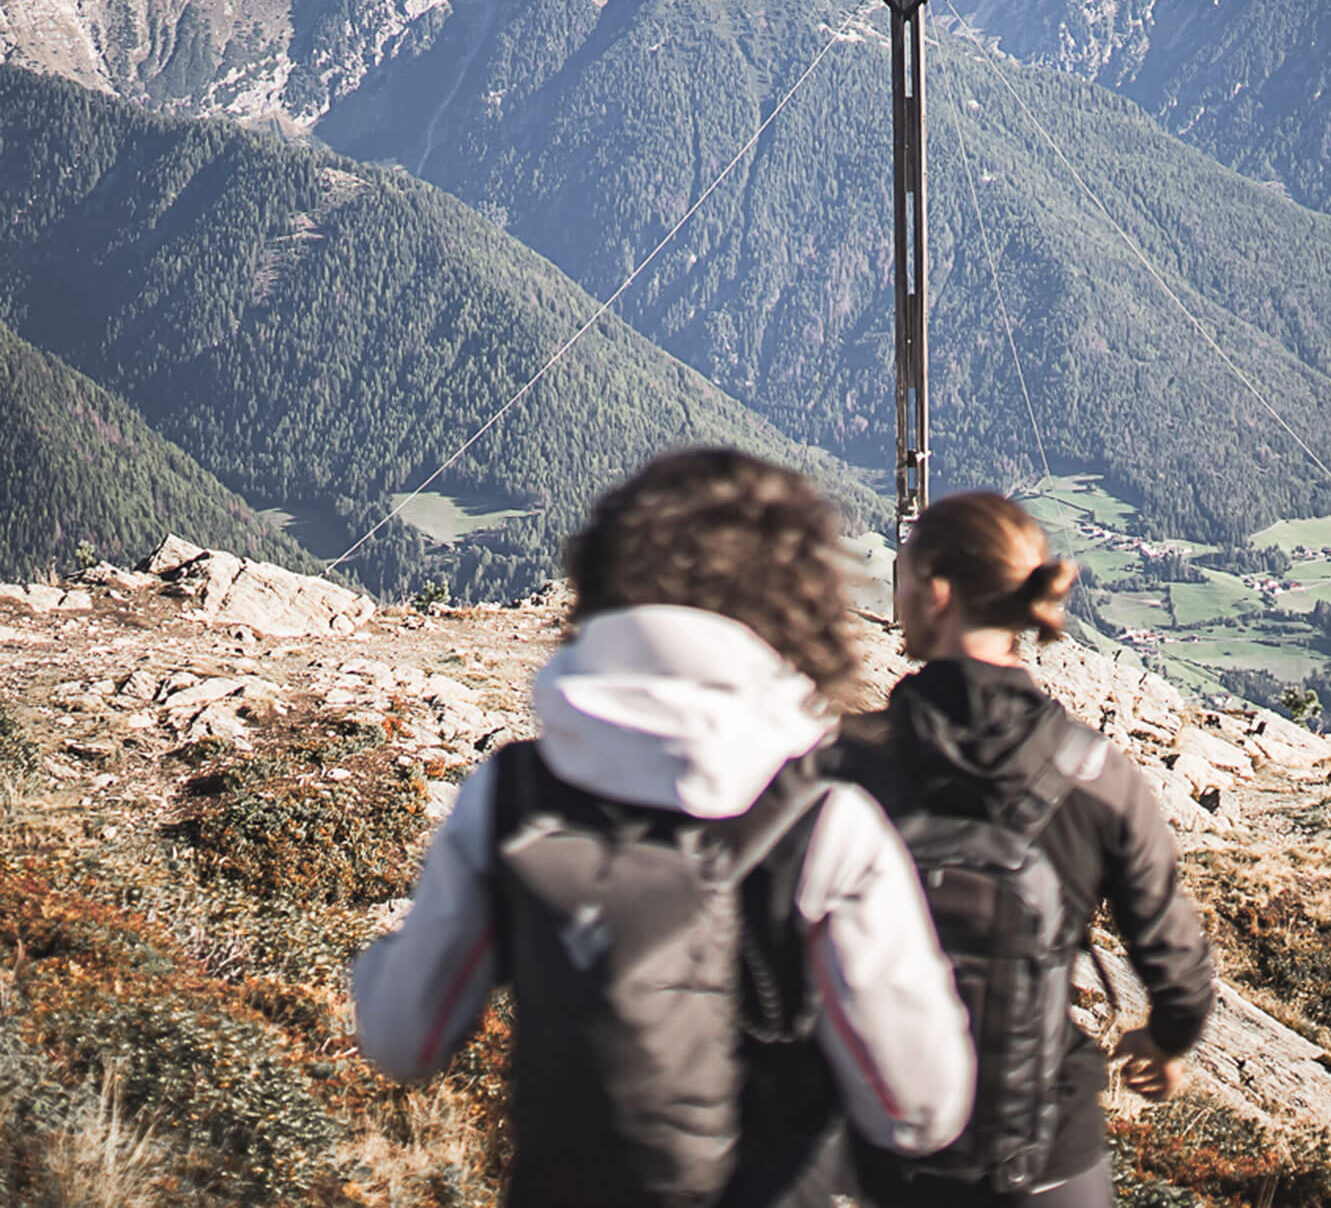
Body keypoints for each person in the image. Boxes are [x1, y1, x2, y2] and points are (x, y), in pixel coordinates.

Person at [352, 448, 976, 1208]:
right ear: (800, 605)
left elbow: (403, 1040)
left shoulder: (510, 796)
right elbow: (920, 1109)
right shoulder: (828, 827)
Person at [838, 490, 1216, 1208]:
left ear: (936, 593)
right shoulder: (1097, 777)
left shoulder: (844, 765)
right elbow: (1181, 973)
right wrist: (1162, 1046)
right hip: (1045, 1153)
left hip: (873, 1157)